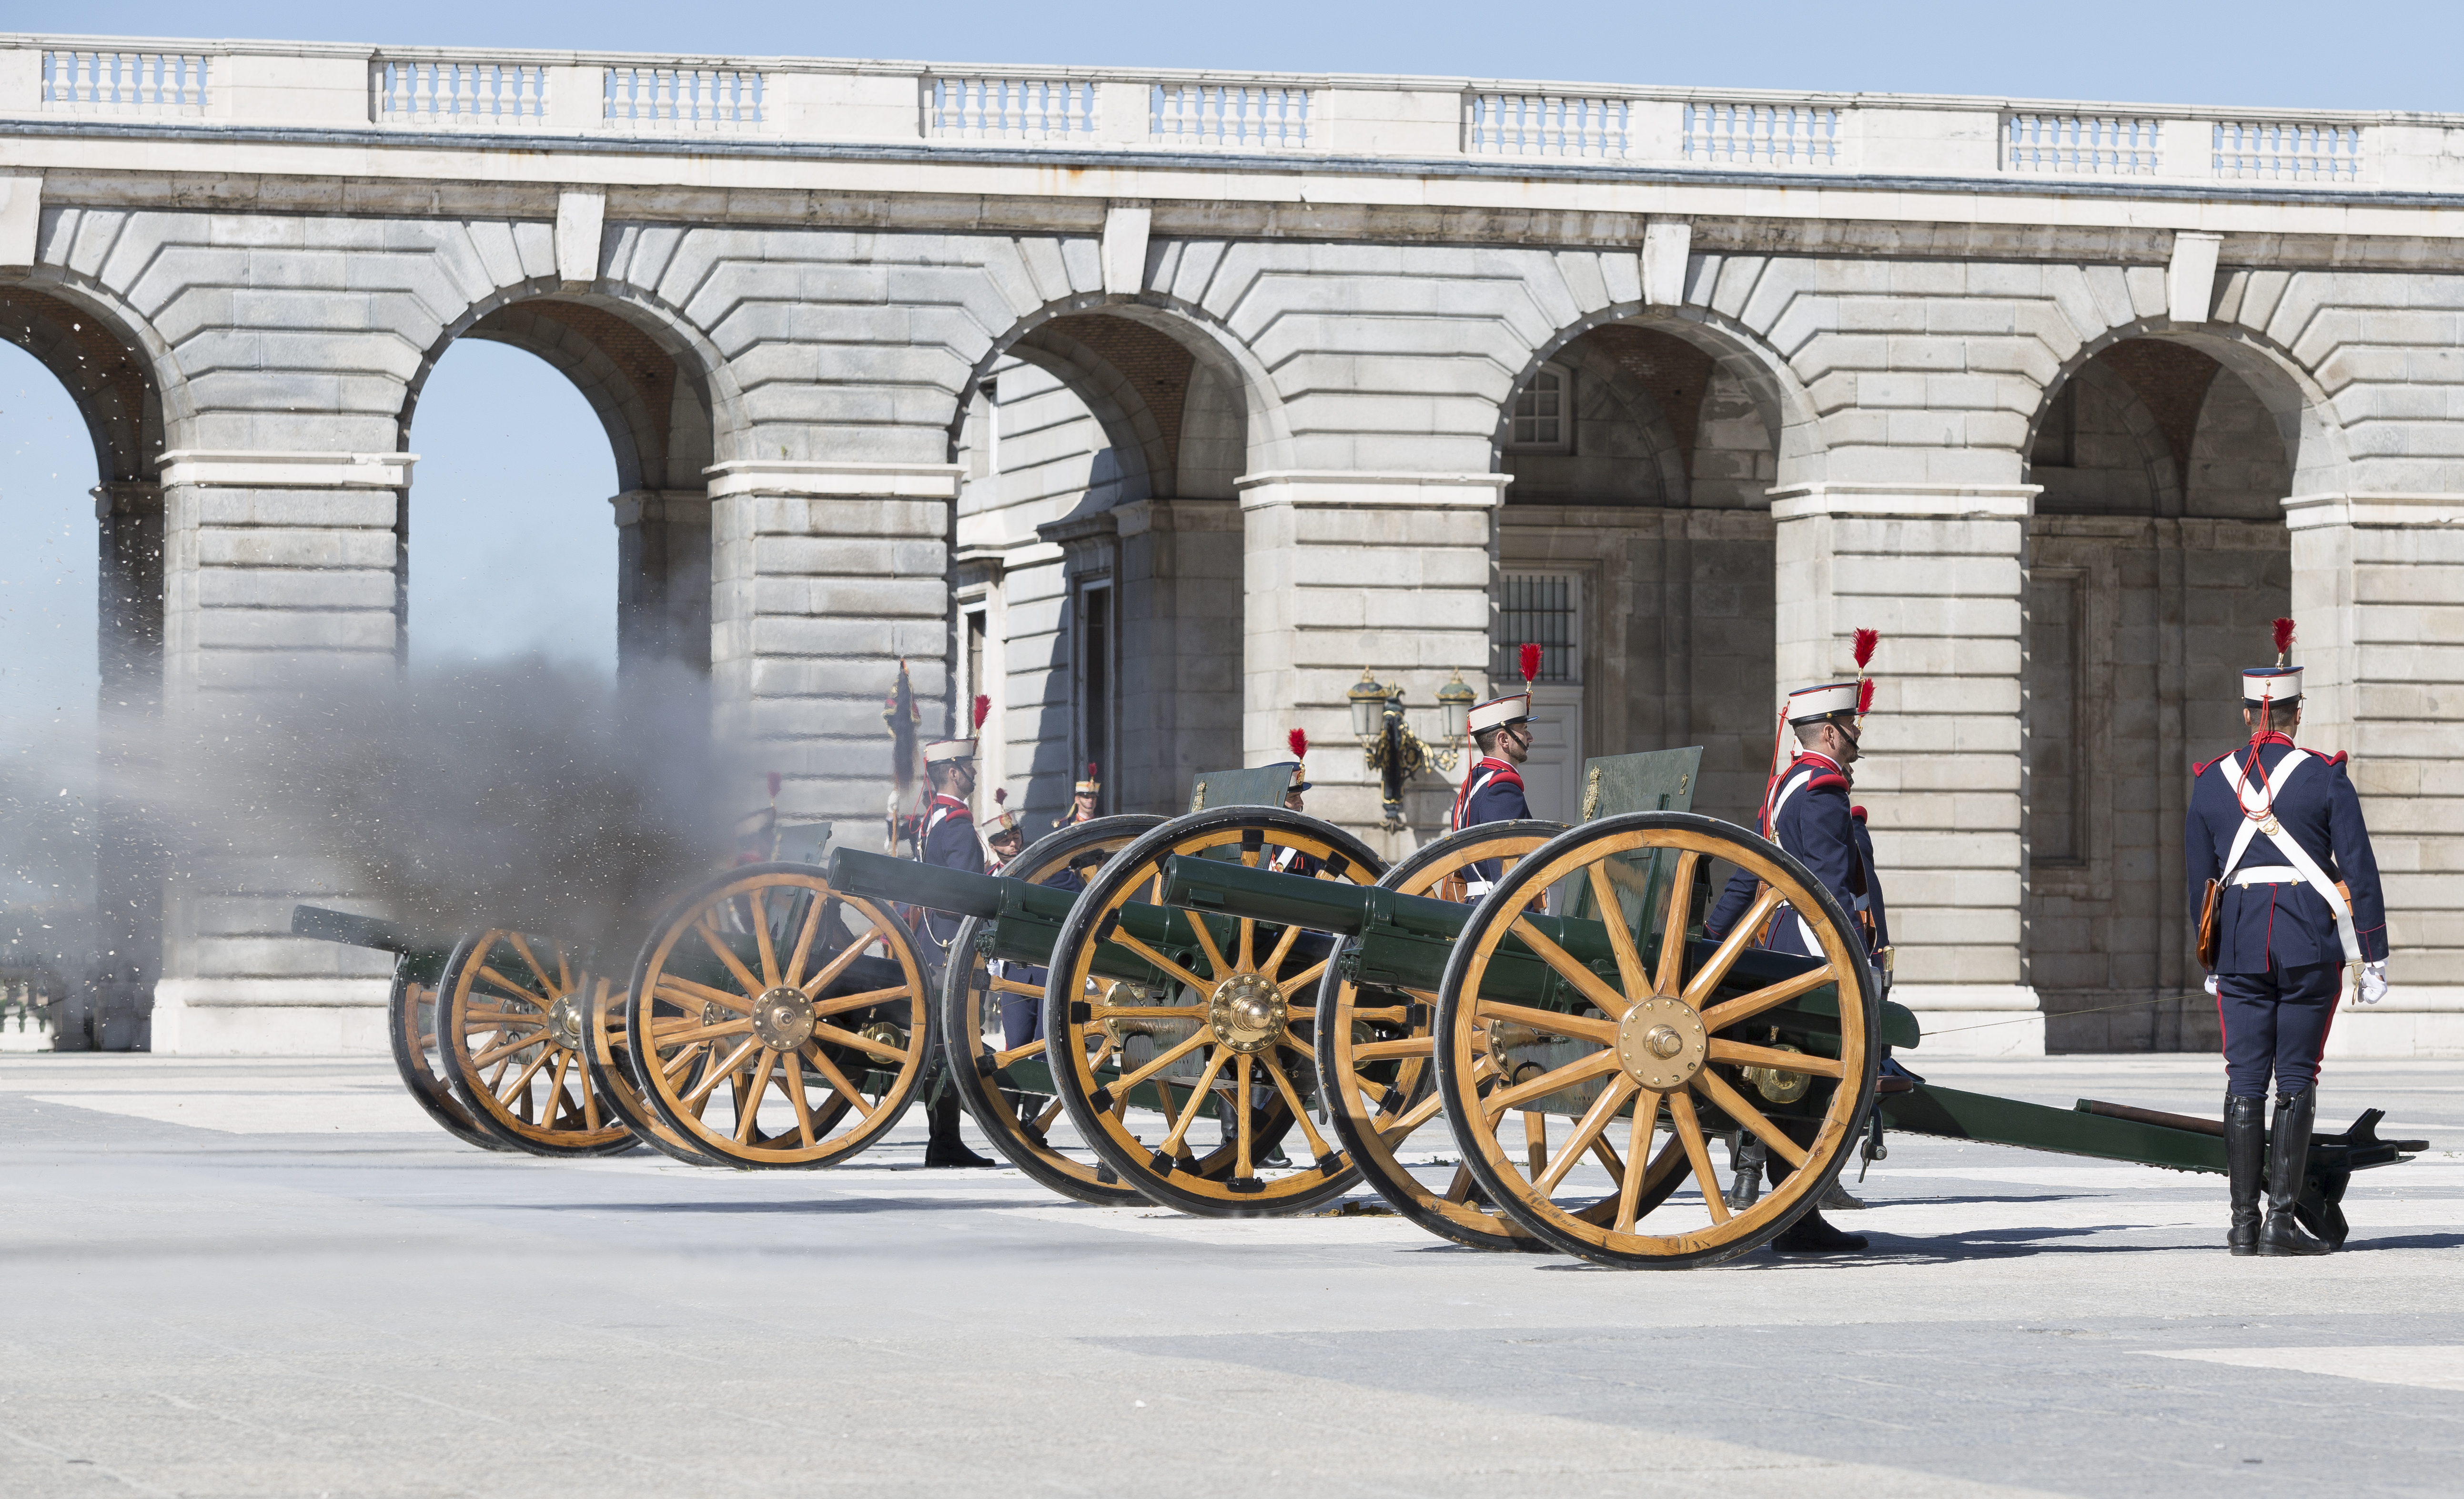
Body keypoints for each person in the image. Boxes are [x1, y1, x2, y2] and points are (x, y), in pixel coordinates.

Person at [2186, 619, 2388, 1257]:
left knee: (2244, 1080)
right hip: (2306, 941)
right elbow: (2359, 867)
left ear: (2248, 713)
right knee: (2296, 1078)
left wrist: (2211, 956)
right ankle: (2279, 1221)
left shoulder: (2210, 780)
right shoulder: (2326, 776)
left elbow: (2202, 882)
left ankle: (2242, 1225)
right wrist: (2374, 954)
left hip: (2241, 944)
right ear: (2296, 714)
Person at [1700, 675, 1890, 1255]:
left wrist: (1712, 936)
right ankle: (1799, 1214)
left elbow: (1747, 871)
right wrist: (1858, 965)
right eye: (1852, 726)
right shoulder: (1826, 788)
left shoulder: (1787, 785)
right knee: (1817, 1076)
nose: (1858, 736)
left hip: (1775, 935)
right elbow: (1832, 887)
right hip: (1809, 943)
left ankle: (1789, 1202)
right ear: (1830, 732)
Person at [914, 735, 996, 1169]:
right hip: (953, 947)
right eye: (968, 766)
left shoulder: (932, 819)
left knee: (940, 1044)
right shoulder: (958, 823)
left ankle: (943, 1138)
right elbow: (967, 894)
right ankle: (946, 1140)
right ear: (952, 772)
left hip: (932, 944)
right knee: (954, 1043)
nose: (975, 773)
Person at [1448, 691, 1535, 894]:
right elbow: (1509, 870)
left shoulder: (1475, 782)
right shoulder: (1501, 789)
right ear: (1504, 740)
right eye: (1524, 729)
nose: (1531, 737)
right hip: (1498, 915)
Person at [1060, 763, 1101, 830]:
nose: (1090, 800)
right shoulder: (1065, 825)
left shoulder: (1101, 824)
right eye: (1086, 797)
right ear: (1077, 799)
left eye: (1093, 797)